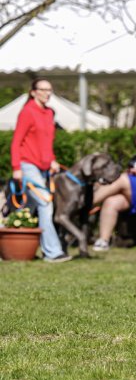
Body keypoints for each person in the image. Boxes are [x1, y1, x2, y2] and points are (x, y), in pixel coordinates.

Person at [9, 78, 71, 262]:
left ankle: (11, 245)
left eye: (49, 90)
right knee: (45, 203)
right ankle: (52, 252)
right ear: (33, 92)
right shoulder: (27, 112)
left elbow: (46, 142)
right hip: (27, 165)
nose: (47, 93)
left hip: (44, 167)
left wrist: (52, 160)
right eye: (43, 89)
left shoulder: (50, 113)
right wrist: (16, 167)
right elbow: (16, 142)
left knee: (28, 208)